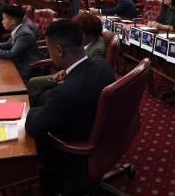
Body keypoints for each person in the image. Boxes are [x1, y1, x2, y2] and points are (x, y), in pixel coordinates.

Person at [25, 19, 115, 184]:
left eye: (49, 51)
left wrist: (30, 109)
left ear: (59, 50)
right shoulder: (103, 65)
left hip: (74, 152)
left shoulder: (64, 93)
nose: (49, 56)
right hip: (108, 136)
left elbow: (33, 126)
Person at [27, 12, 106, 106]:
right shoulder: (89, 41)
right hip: (67, 73)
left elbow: (88, 75)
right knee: (33, 83)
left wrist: (66, 77)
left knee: (41, 92)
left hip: (73, 81)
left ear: (86, 34)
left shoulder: (96, 51)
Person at [0, 5, 42, 81]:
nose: (2, 21)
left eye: (4, 19)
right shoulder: (18, 28)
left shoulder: (24, 34)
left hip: (25, 67)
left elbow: (12, 54)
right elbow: (9, 43)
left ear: (12, 22)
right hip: (16, 62)